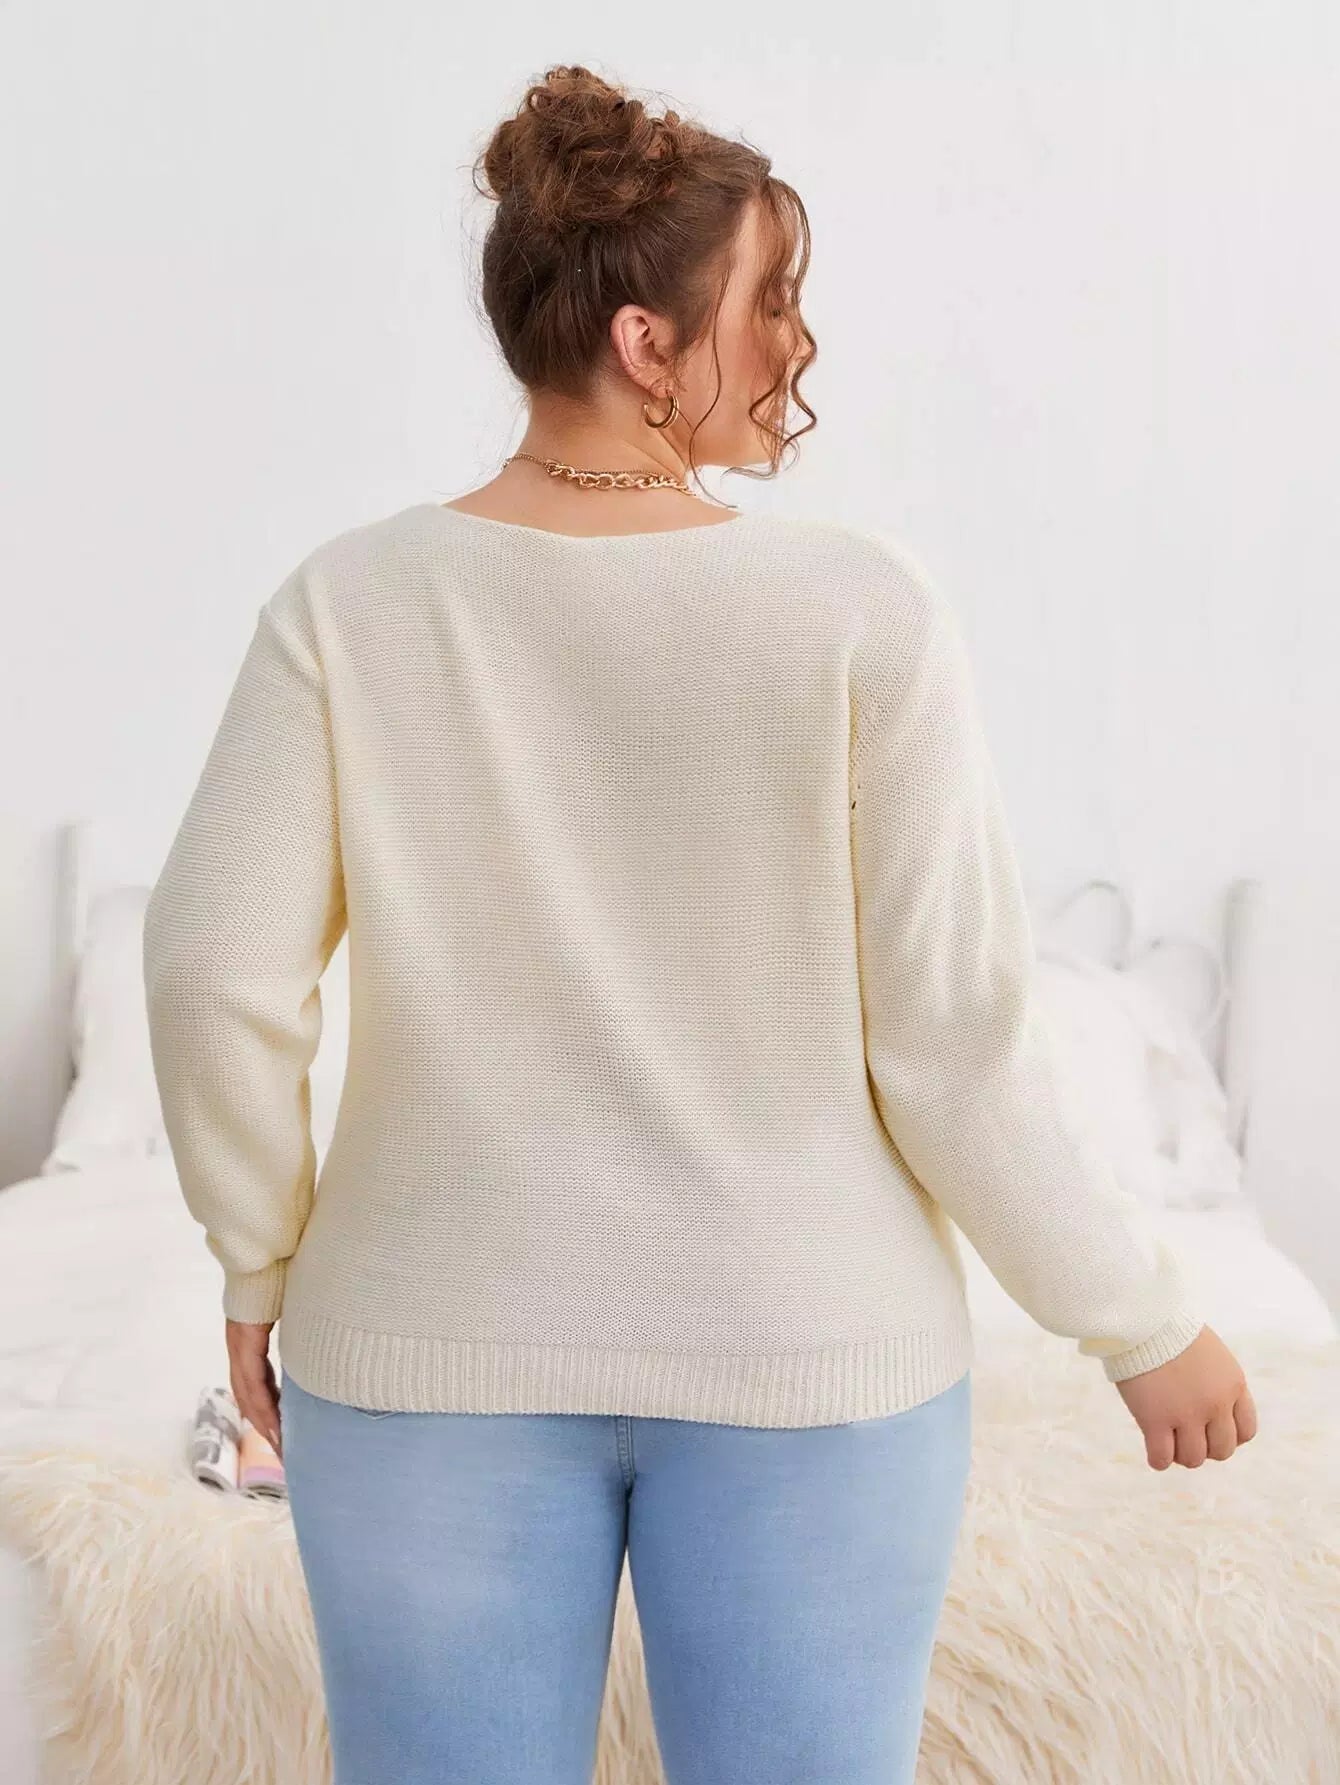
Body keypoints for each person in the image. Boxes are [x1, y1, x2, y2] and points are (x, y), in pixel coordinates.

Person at [142, 61, 1257, 1785]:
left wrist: (256, 1255)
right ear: (647, 341)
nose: (799, 344)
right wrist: (1138, 1321)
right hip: (814, 1359)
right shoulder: (861, 614)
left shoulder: (349, 604)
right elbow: (953, 1050)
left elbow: (214, 970)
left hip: (420, 1354)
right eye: (772, 300)